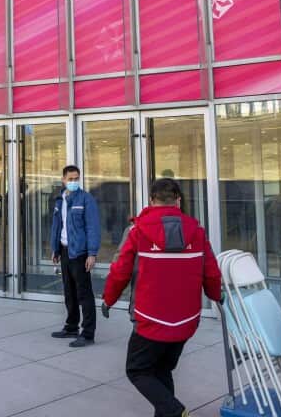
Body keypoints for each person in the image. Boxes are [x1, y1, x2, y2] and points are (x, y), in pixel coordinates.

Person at [102, 177, 222, 417]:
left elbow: (120, 271)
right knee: (161, 370)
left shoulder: (138, 231)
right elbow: (211, 271)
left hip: (150, 319)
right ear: (178, 200)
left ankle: (175, 411)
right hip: (186, 320)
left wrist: (109, 299)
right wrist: (216, 296)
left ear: (151, 200)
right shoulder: (197, 231)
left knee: (137, 370)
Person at [49, 164, 100, 347]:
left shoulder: (86, 199)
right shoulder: (59, 200)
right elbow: (57, 226)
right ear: (63, 180)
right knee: (69, 292)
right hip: (64, 251)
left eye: (76, 178)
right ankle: (71, 327)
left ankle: (88, 333)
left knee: (84, 294)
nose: (73, 182)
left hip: (79, 253)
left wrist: (92, 253)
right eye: (70, 179)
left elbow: (92, 227)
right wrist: (55, 249)